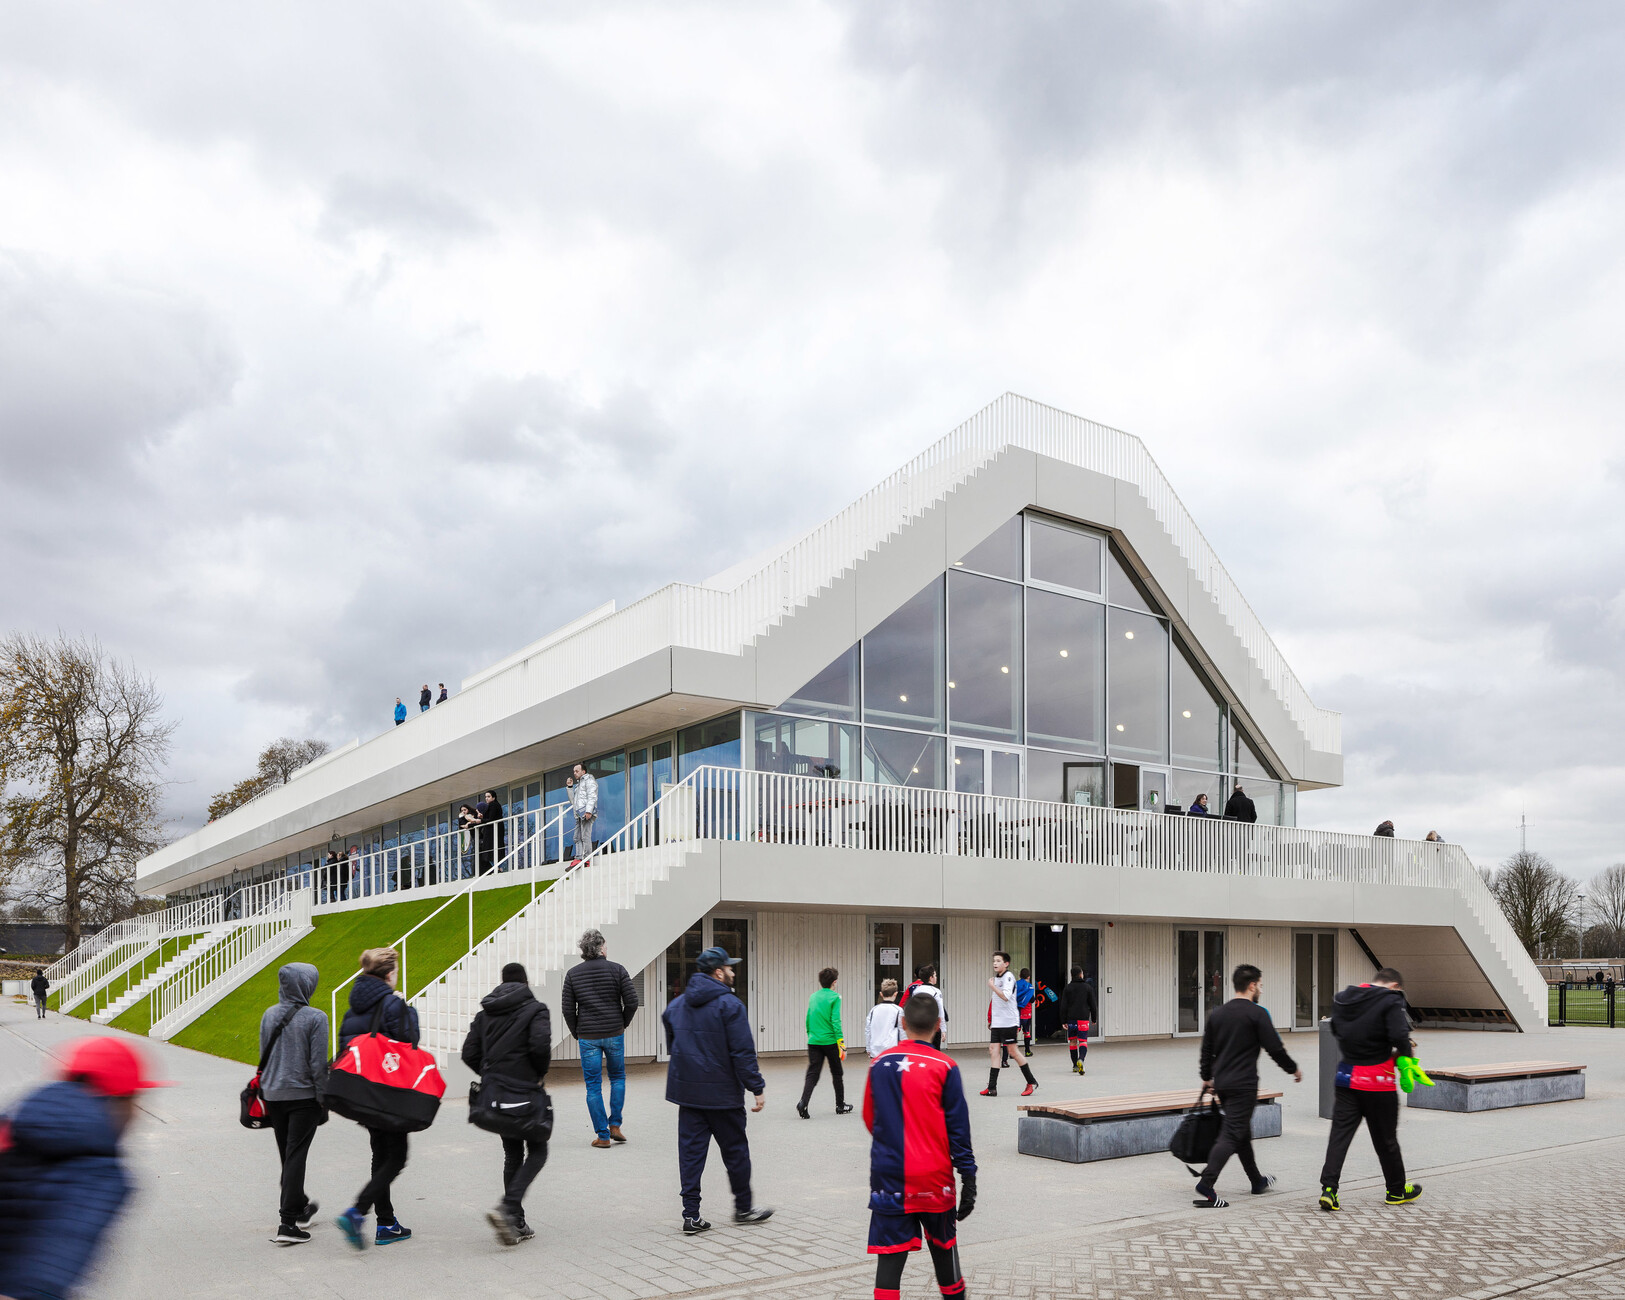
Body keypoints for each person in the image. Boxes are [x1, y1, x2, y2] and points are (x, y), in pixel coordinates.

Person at [0, 1036, 169, 1300]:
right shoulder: (98, 1171)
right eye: (136, 1100)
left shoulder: (13, 1121)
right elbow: (42, 1279)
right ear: (120, 1100)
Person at [863, 993, 977, 1300]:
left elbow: (870, 1118)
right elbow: (959, 1130)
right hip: (934, 1180)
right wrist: (969, 1179)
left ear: (902, 1023)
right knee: (946, 1259)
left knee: (888, 1268)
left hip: (889, 1178)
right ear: (938, 1025)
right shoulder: (946, 1066)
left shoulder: (879, 1064)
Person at [662, 945, 774, 1234]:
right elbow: (742, 1052)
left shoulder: (677, 1005)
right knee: (736, 1153)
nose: (733, 971)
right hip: (723, 1096)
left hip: (689, 1095)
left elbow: (673, 1039)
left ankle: (691, 1216)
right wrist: (757, 1087)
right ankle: (743, 1208)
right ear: (718, 972)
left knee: (690, 1155)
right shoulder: (731, 1005)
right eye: (729, 967)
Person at [1193, 963, 1302, 1208]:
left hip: (1223, 1083)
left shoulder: (1218, 1014)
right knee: (1233, 1133)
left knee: (1241, 1133)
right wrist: (1293, 1068)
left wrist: (1207, 1077)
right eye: (1260, 985)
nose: (1261, 989)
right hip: (1244, 1085)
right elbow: (1275, 1048)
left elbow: (1207, 1049)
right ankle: (1206, 1183)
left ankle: (1257, 1181)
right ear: (1252, 986)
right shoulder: (1258, 1013)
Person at [334, 948, 421, 1249]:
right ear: (388, 974)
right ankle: (357, 1212)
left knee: (380, 1155)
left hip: (363, 1093)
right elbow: (411, 1042)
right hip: (389, 1093)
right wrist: (406, 1009)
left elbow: (346, 1048)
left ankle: (386, 1223)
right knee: (397, 1157)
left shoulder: (352, 1009)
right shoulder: (392, 1003)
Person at [461, 961, 552, 1245]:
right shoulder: (536, 1009)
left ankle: (516, 1222)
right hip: (525, 1092)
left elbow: (468, 1053)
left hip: (497, 1095)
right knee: (538, 1150)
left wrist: (490, 1075)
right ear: (526, 983)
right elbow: (540, 1046)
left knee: (512, 1154)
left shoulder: (485, 1014)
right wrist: (536, 1075)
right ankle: (508, 1207)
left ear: (501, 984)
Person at [1318, 967, 1424, 1210]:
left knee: (1339, 1137)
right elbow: (1399, 1035)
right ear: (1395, 986)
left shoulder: (1345, 998)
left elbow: (1336, 1030)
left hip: (1346, 1078)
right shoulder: (1391, 1000)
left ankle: (1329, 1190)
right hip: (1378, 1082)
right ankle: (1396, 1191)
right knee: (1386, 1140)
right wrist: (1405, 1058)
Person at [259, 963, 330, 1245]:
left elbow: (264, 1055)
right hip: (303, 1097)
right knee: (296, 1156)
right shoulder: (317, 1018)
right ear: (307, 985)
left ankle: (299, 1206)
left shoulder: (269, 1014)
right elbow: (318, 1065)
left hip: (274, 1095)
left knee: (288, 1156)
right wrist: (324, 1099)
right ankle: (288, 1222)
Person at [561, 928, 640, 1147]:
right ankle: (615, 1125)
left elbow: (568, 1009)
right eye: (605, 945)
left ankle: (603, 1136)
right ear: (601, 948)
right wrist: (622, 1023)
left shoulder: (573, 974)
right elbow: (632, 1002)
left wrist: (576, 1032)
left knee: (593, 1086)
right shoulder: (617, 969)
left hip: (588, 1036)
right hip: (614, 1033)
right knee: (618, 1077)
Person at [797, 967, 852, 1118]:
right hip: (830, 1042)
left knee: (812, 1073)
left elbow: (808, 1017)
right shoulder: (835, 997)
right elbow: (836, 1021)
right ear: (834, 982)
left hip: (814, 1040)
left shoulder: (813, 996)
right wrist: (841, 1043)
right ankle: (840, 1105)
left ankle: (803, 1102)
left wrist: (810, 1034)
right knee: (837, 1072)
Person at [981, 951, 1038, 1097]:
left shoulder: (1009, 977)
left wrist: (992, 986)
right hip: (998, 1022)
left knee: (1013, 1051)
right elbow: (995, 1001)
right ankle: (992, 1087)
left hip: (1009, 1022)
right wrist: (992, 1020)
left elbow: (1005, 996)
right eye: (994, 961)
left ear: (1006, 964)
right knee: (993, 1050)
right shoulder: (996, 978)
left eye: (998, 961)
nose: (995, 963)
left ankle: (1031, 1082)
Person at [1058, 965, 1097, 1075]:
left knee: (1073, 1041)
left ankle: (1075, 1065)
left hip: (1071, 1019)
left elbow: (1063, 1006)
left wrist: (1063, 1020)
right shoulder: (1087, 987)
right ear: (1081, 974)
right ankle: (1081, 1059)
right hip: (1083, 1018)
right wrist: (1094, 1018)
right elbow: (1093, 1004)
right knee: (1083, 1041)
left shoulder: (1068, 988)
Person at [566, 763, 598, 864]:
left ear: (583, 772)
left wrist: (588, 811)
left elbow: (592, 796)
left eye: (577, 771)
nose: (575, 773)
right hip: (579, 814)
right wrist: (570, 787)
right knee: (577, 837)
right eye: (574, 771)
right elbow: (573, 801)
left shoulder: (589, 780)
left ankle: (587, 859)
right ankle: (578, 858)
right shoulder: (578, 785)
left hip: (587, 813)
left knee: (585, 836)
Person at [912, 964, 948, 1049]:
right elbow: (940, 1011)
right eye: (935, 975)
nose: (936, 977)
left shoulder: (916, 991)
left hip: (919, 1026)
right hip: (933, 1026)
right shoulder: (936, 992)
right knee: (934, 1051)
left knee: (921, 1050)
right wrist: (943, 1029)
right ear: (931, 978)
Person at [866, 979, 904, 1057]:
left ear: (881, 994)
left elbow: (868, 1030)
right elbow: (902, 1031)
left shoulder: (873, 1010)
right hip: (892, 1050)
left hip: (875, 1049)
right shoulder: (898, 1010)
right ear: (896, 994)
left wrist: (868, 1047)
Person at [476, 789, 505, 874]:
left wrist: (481, 820)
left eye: (488, 796)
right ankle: (498, 867)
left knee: (490, 850)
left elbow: (491, 819)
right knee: (493, 850)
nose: (486, 798)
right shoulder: (494, 805)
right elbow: (490, 818)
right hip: (494, 830)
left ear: (493, 797)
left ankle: (498, 868)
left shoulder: (493, 805)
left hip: (493, 831)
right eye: (486, 797)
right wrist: (482, 818)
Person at [1015, 967, 1037, 1056]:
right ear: (1028, 977)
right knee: (1026, 1032)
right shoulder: (1029, 987)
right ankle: (1027, 1051)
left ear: (1019, 975)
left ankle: (1012, 1052)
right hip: (1026, 1013)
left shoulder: (1015, 985)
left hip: (1016, 1011)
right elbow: (1032, 1000)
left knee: (1015, 1031)